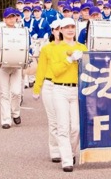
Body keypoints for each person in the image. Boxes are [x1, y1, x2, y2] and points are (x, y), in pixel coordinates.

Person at [45, 17, 87, 172]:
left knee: (75, 127)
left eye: (72, 27)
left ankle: (70, 151)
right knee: (63, 126)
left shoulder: (82, 47)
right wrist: (69, 59)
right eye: (66, 27)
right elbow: (55, 71)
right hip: (60, 89)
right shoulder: (55, 48)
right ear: (60, 30)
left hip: (77, 89)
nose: (70, 30)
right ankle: (67, 160)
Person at [0, 8, 27, 129]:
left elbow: (26, 45)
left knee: (16, 92)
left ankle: (15, 112)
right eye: (8, 17)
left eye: (13, 17)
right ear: (4, 19)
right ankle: (6, 120)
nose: (11, 19)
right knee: (4, 93)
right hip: (3, 66)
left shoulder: (21, 31)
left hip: (17, 65)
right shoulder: (0, 31)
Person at [33, 19, 63, 164]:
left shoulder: (70, 46)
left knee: (66, 121)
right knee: (54, 121)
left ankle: (67, 148)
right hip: (50, 86)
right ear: (52, 31)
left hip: (66, 86)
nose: (59, 31)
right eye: (56, 29)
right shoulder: (46, 48)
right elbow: (41, 70)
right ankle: (55, 150)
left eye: (61, 28)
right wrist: (37, 88)